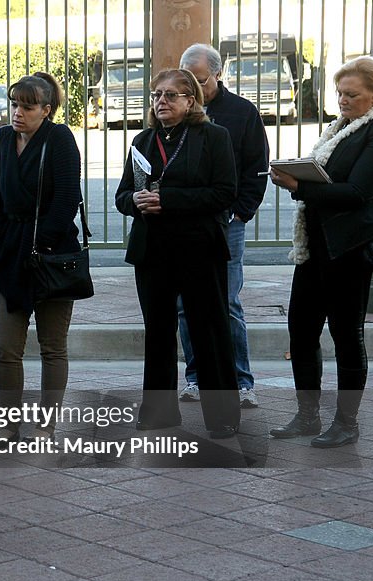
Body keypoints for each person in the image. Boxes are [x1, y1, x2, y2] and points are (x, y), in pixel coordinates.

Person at [269, 55, 373, 448]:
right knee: (301, 329)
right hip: (316, 242)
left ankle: (346, 422)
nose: (342, 100)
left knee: (345, 334)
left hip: (351, 246)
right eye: (339, 93)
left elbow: (357, 192)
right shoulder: (342, 125)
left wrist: (298, 185)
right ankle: (307, 417)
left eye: (351, 94)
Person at [115, 69, 241, 438]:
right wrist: (135, 200)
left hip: (199, 247)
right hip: (153, 249)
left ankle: (222, 417)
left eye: (171, 95)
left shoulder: (214, 137)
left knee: (209, 331)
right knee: (157, 332)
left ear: (191, 100)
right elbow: (122, 195)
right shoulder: (143, 139)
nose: (161, 102)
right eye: (157, 95)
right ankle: (159, 413)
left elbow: (224, 193)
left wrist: (167, 199)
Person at [0, 73, 82, 442]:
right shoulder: (3, 138)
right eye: (14, 104)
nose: (18, 113)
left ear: (46, 109)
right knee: (6, 348)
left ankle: (47, 424)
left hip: (52, 254)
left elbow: (66, 201)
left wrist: (40, 243)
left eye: (27, 106)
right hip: (11, 252)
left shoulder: (59, 139)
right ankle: (9, 425)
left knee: (52, 347)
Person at [177, 43, 270, 410]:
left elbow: (256, 165)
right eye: (188, 80)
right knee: (186, 304)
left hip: (227, 221)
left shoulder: (241, 112)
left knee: (227, 302)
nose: (193, 89)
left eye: (198, 80)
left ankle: (241, 380)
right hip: (186, 222)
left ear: (217, 73)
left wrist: (242, 211)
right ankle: (196, 377)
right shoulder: (180, 108)